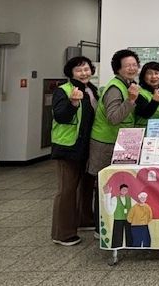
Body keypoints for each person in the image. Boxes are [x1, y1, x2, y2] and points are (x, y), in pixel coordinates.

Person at [89, 49, 140, 238]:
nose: (132, 68)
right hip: (105, 144)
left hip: (117, 142)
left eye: (134, 65)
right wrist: (131, 100)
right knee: (105, 185)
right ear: (118, 68)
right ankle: (99, 228)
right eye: (127, 66)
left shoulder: (127, 84)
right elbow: (113, 118)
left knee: (115, 186)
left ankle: (106, 224)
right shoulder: (115, 88)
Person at [51, 56, 98, 246]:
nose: (84, 73)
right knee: (67, 190)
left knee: (87, 185)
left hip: (88, 146)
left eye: (86, 69)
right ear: (71, 73)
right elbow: (60, 116)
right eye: (79, 70)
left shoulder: (92, 90)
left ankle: (84, 219)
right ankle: (62, 233)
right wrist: (72, 103)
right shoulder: (63, 90)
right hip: (68, 147)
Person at [135, 62, 159, 127]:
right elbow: (144, 114)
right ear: (143, 76)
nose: (153, 76)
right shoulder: (138, 92)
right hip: (143, 130)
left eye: (156, 73)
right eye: (149, 73)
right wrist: (154, 101)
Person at [103, 183, 133, 248]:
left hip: (128, 219)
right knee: (117, 235)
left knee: (129, 234)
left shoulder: (129, 199)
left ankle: (130, 247)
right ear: (120, 190)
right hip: (118, 219)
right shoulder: (115, 199)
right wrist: (107, 195)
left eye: (126, 190)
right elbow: (109, 211)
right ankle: (116, 247)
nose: (125, 191)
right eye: (123, 190)